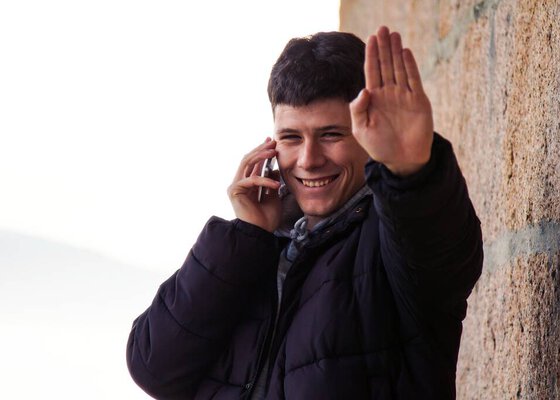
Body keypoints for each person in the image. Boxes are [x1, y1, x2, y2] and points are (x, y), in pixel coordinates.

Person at [126, 26, 483, 400]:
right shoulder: (253, 250)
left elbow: (442, 252)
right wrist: (246, 237)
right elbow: (154, 367)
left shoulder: (395, 239)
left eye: (331, 135)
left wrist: (412, 170)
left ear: (367, 130)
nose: (309, 160)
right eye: (291, 138)